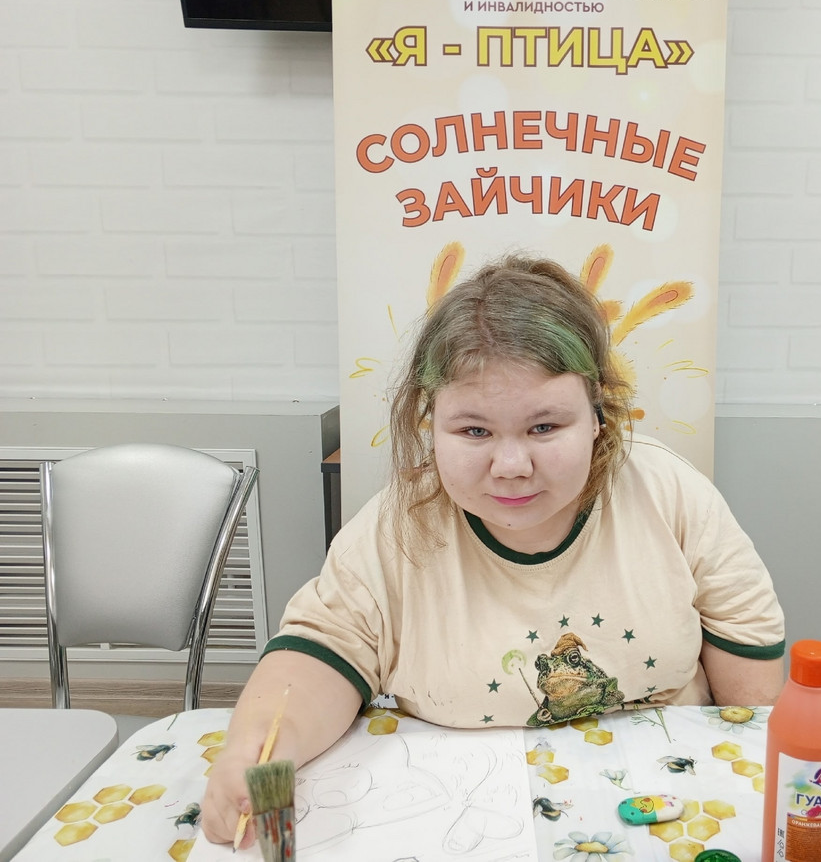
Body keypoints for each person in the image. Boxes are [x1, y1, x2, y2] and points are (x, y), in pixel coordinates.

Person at [200, 253, 786, 846]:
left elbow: (753, 699)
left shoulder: (670, 494)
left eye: (544, 427)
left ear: (598, 415)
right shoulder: (395, 527)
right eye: (474, 431)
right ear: (431, 423)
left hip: (666, 805)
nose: (511, 466)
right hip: (461, 819)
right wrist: (258, 753)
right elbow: (320, 654)